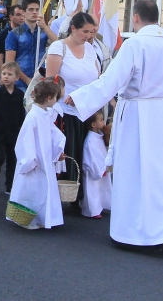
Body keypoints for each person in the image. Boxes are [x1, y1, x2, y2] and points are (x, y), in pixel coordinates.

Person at [65, 0, 163, 252]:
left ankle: (136, 234)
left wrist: (81, 97)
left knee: (135, 175)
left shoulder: (135, 44)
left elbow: (111, 81)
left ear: (136, 17)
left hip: (139, 117)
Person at [44, 11, 102, 204]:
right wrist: (69, 97)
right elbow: (50, 82)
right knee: (68, 154)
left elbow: (98, 79)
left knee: (87, 155)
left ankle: (83, 199)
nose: (88, 36)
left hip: (87, 111)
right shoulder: (58, 47)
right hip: (64, 111)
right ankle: (60, 196)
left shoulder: (91, 49)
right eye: (85, 31)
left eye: (91, 32)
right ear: (73, 28)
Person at [8, 79, 66, 230]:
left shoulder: (43, 114)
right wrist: (29, 161)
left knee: (41, 189)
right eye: (55, 97)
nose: (55, 100)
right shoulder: (33, 116)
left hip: (43, 159)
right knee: (31, 189)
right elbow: (25, 140)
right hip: (34, 161)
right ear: (48, 98)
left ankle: (41, 217)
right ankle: (25, 219)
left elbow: (54, 134)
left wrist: (58, 149)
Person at [4, 0, 57, 90]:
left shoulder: (43, 32)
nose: (34, 12)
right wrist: (27, 80)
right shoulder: (14, 34)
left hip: (40, 81)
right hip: (20, 83)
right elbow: (10, 62)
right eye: (31, 9)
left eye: (37, 9)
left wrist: (45, 26)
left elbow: (58, 44)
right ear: (23, 12)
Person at [0, 61, 24, 195]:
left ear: (17, 78)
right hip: (0, 131)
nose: (6, 76)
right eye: (4, 74)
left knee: (12, 159)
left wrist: (20, 127)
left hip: (14, 132)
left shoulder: (19, 94)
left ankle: (9, 185)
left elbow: (21, 112)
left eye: (9, 74)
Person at [81, 110, 112, 219]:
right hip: (94, 170)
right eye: (101, 120)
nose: (103, 122)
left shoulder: (98, 136)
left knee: (102, 188)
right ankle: (92, 210)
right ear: (93, 124)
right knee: (92, 190)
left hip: (101, 168)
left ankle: (102, 205)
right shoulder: (90, 140)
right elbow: (91, 157)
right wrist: (98, 170)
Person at [0, 5, 23, 72]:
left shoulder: (26, 34)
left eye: (23, 15)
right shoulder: (3, 35)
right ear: (11, 17)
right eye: (18, 15)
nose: (21, 18)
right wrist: (2, 76)